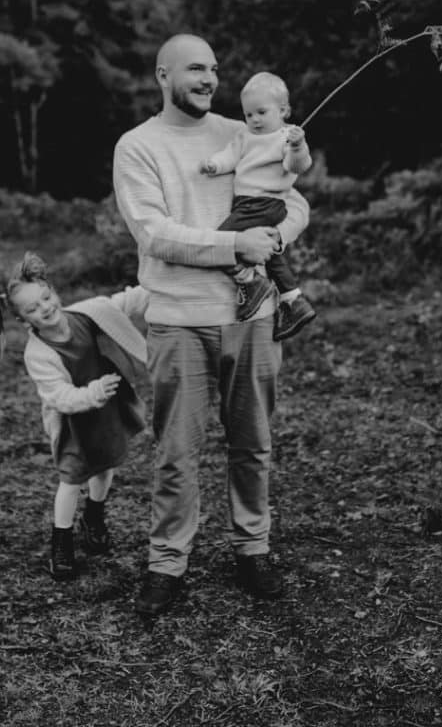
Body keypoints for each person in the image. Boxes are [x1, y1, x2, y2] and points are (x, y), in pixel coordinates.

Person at [113, 33, 310, 615]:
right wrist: (234, 244)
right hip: (177, 320)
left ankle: (253, 549)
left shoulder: (244, 130)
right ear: (162, 75)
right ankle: (167, 564)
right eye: (195, 69)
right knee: (176, 451)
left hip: (252, 316)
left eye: (214, 69)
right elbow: (154, 233)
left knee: (253, 444)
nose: (208, 79)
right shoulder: (137, 146)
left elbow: (294, 202)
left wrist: (273, 239)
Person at [0, 252, 150, 581]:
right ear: (24, 320)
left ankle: (94, 516)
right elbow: (59, 396)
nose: (45, 309)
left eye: (46, 298)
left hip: (105, 410)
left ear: (52, 291)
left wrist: (157, 286)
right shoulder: (39, 353)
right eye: (33, 309)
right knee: (71, 480)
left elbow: (123, 302)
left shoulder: (87, 314)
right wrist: (92, 392)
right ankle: (61, 540)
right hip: (73, 423)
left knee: (106, 464)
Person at [200, 69, 316, 341]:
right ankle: (293, 300)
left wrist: (298, 147)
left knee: (221, 241)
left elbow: (296, 166)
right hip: (248, 204)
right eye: (249, 114)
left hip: (266, 202)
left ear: (283, 110)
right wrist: (215, 164)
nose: (254, 119)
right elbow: (230, 157)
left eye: (261, 112)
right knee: (270, 253)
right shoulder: (244, 137)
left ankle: (251, 282)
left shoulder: (286, 137)